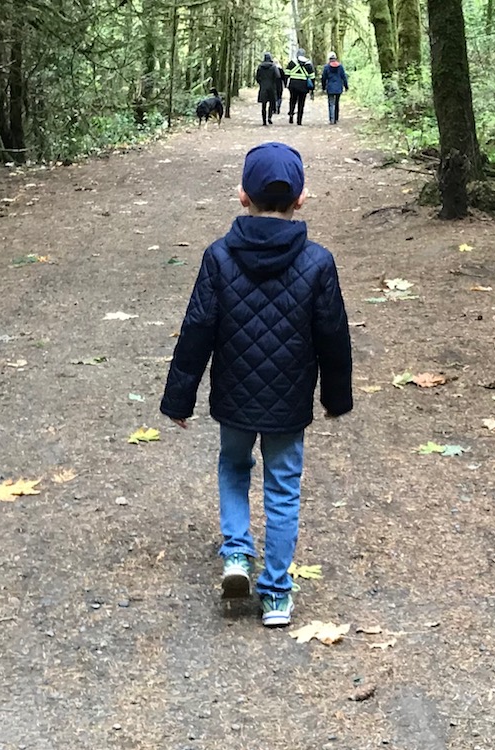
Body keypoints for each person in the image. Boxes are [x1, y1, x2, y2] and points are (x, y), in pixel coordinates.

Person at [160, 142, 354, 628]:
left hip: (234, 397)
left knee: (233, 467)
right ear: (301, 199)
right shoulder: (318, 262)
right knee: (283, 487)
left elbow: (198, 328)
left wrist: (179, 396)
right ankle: (276, 594)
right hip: (288, 403)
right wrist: (335, 397)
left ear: (241, 196)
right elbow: (333, 335)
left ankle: (235, 555)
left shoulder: (219, 257)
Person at [285, 54, 317, 125]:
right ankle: (299, 120)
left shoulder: (292, 63)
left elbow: (286, 74)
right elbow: (312, 77)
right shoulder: (308, 65)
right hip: (304, 87)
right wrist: (312, 89)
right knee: (301, 103)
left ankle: (291, 114)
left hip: (293, 86)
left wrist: (286, 84)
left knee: (292, 101)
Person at [254, 53, 283, 126]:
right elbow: (278, 76)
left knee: (263, 105)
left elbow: (257, 77)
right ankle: (269, 117)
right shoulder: (273, 67)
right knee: (271, 103)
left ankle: (264, 120)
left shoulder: (260, 67)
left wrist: (261, 83)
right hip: (272, 87)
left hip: (263, 87)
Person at [320, 52, 349, 125]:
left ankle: (332, 119)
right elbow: (344, 77)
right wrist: (346, 86)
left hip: (330, 88)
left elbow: (323, 78)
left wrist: (323, 87)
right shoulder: (340, 66)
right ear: (335, 58)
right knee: (337, 103)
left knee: (331, 103)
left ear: (329, 59)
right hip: (339, 88)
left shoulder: (326, 67)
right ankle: (336, 118)